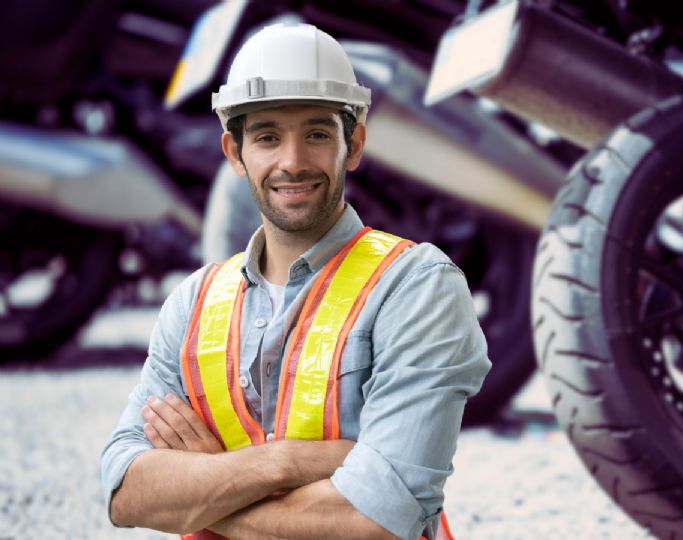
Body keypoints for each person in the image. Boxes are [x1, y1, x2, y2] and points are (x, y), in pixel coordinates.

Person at [100, 22, 490, 540]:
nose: (293, 161)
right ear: (235, 153)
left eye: (317, 134)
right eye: (267, 137)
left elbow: (377, 518)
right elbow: (125, 492)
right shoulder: (193, 302)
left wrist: (201, 493)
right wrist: (280, 463)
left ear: (353, 145)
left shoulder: (416, 287)